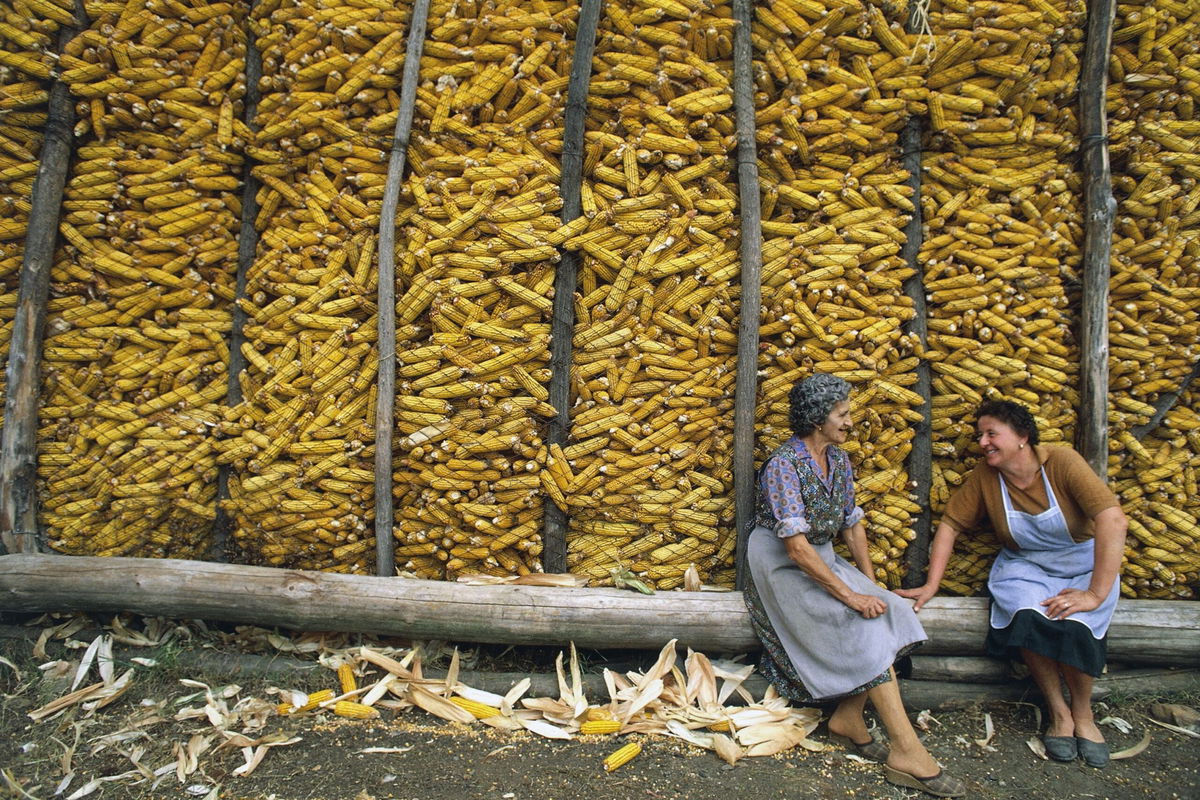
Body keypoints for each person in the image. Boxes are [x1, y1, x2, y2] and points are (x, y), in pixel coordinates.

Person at [745, 373, 965, 798]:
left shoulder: (839, 461)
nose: (849, 422)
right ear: (816, 419)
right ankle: (907, 751)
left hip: (821, 558)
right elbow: (796, 550)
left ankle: (847, 717)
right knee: (859, 626)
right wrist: (850, 597)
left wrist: (869, 585)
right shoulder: (783, 466)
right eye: (842, 414)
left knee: (894, 611)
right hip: (781, 566)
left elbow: (851, 523)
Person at [897, 400, 1127, 768]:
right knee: (1029, 618)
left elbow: (1113, 520)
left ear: (1022, 436)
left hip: (1082, 564)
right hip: (1026, 565)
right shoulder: (987, 476)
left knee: (1077, 626)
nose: (983, 442)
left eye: (991, 433)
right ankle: (1059, 713)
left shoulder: (1062, 463)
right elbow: (950, 526)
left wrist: (1095, 593)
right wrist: (931, 585)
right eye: (979, 435)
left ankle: (1083, 715)